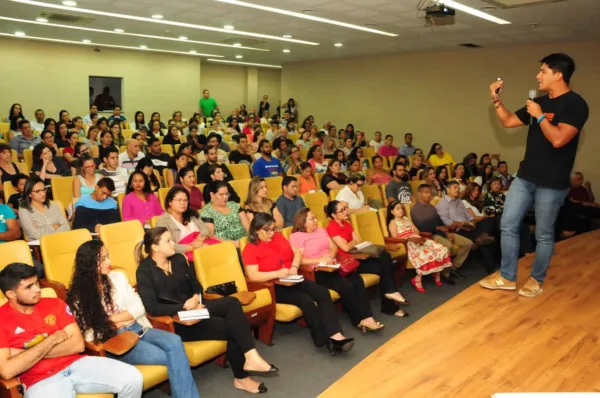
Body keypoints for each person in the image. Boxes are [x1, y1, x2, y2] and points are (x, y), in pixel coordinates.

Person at [481, 53, 589, 296]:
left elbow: (559, 139)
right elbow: (508, 122)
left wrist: (539, 116)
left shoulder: (575, 105)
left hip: (552, 182)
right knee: (507, 224)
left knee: (543, 233)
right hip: (525, 176)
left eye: (543, 71)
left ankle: (536, 280)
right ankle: (507, 277)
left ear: (558, 74)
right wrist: (497, 101)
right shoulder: (540, 102)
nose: (537, 76)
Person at [136, 227, 275, 394]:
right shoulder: (144, 271)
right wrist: (183, 306)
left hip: (197, 308)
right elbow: (152, 307)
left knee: (232, 302)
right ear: (155, 247)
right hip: (177, 321)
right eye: (168, 241)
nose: (174, 243)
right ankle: (242, 377)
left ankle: (251, 356)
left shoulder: (179, 259)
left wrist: (197, 298)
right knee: (233, 326)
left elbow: (197, 286)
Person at [66, 241, 197, 398]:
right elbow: (88, 332)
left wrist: (111, 319)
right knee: (172, 356)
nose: (110, 262)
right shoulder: (79, 295)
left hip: (138, 327)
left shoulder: (117, 277)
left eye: (108, 256)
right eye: (103, 258)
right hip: (116, 340)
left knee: (175, 341)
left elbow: (139, 307)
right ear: (89, 264)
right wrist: (120, 321)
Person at [0, 262, 144, 397]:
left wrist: (23, 355)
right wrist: (53, 339)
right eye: (28, 287)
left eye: (37, 282)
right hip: (39, 380)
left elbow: (78, 345)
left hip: (76, 364)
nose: (38, 289)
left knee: (133, 378)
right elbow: (7, 371)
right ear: (11, 294)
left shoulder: (55, 303)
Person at [243, 213, 354, 355]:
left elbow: (296, 253)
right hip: (273, 285)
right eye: (268, 230)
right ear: (257, 230)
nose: (272, 233)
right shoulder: (251, 248)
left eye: (273, 228)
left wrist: (294, 267)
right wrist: (277, 274)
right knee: (305, 300)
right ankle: (325, 340)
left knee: (322, 293)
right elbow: (253, 275)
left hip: (292, 277)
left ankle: (336, 334)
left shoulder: (278, 236)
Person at [289, 209, 383, 332]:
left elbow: (333, 246)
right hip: (317, 270)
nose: (316, 220)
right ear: (302, 222)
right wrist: (320, 259)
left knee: (357, 280)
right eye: (312, 219)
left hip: (334, 264)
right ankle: (359, 320)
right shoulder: (297, 237)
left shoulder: (321, 230)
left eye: (315, 217)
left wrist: (331, 256)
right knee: (347, 286)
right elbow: (299, 260)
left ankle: (368, 317)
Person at [326, 201, 408, 317]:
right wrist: (351, 243)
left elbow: (357, 240)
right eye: (342, 210)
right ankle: (390, 303)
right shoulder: (332, 227)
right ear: (334, 215)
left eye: (345, 208)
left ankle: (391, 293)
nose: (346, 211)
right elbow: (345, 248)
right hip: (349, 262)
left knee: (385, 257)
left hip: (358, 256)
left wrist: (350, 243)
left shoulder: (347, 223)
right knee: (385, 267)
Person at [410, 184, 473, 283]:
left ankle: (453, 268)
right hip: (429, 235)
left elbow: (439, 221)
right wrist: (438, 228)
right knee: (448, 246)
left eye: (430, 192)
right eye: (426, 192)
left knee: (468, 243)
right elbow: (422, 226)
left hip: (440, 232)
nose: (429, 195)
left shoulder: (431, 206)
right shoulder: (415, 209)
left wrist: (446, 231)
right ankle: (445, 273)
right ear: (419, 194)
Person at [387, 200, 452, 292]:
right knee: (427, 253)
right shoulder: (393, 222)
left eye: (401, 208)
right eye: (397, 209)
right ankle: (417, 279)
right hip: (407, 243)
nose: (401, 210)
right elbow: (395, 238)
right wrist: (409, 238)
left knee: (441, 249)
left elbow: (416, 230)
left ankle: (437, 272)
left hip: (417, 239)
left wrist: (415, 235)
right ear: (392, 211)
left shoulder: (406, 218)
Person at [437, 181, 496, 273]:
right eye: (455, 187)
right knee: (483, 238)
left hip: (467, 226)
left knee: (486, 223)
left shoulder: (459, 201)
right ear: (448, 190)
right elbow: (446, 221)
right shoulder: (443, 203)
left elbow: (468, 215)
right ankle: (491, 268)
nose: (457, 189)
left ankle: (485, 237)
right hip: (456, 229)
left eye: (458, 188)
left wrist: (471, 221)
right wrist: (460, 224)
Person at [155, 186, 218, 260]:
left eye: (185, 200)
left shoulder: (192, 214)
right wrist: (192, 247)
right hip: (184, 256)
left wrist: (199, 239)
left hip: (205, 246)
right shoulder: (163, 221)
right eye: (179, 200)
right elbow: (168, 245)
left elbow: (205, 230)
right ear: (170, 202)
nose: (183, 203)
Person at [200, 181, 249, 248]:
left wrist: (251, 239)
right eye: (221, 194)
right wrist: (234, 244)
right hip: (225, 248)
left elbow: (247, 225)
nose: (225, 197)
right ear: (212, 195)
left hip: (244, 242)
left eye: (226, 194)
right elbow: (211, 237)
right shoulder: (206, 212)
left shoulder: (234, 205)